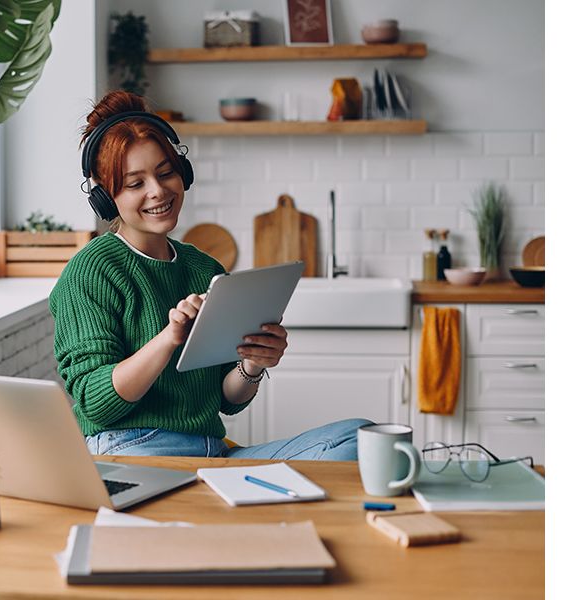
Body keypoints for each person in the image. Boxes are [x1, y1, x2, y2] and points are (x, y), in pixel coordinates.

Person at [48, 90, 371, 460]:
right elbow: (96, 402)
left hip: (210, 454)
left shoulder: (204, 268)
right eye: (136, 183)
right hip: (135, 451)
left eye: (165, 173)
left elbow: (226, 400)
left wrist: (252, 363)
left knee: (364, 438)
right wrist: (169, 339)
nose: (157, 191)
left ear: (182, 173)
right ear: (107, 198)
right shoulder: (92, 270)